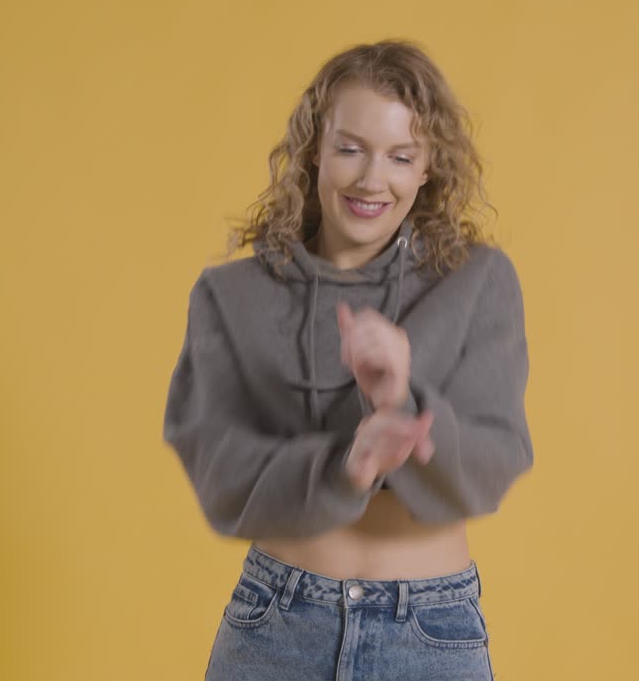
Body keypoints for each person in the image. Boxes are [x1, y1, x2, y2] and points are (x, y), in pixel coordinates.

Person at [163, 39, 532, 680]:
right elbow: (221, 473)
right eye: (350, 148)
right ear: (314, 153)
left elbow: (492, 464)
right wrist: (347, 466)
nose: (371, 179)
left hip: (429, 634)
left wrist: (403, 399)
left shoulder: (479, 282)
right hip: (276, 627)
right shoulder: (231, 296)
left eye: (400, 156)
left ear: (428, 170)